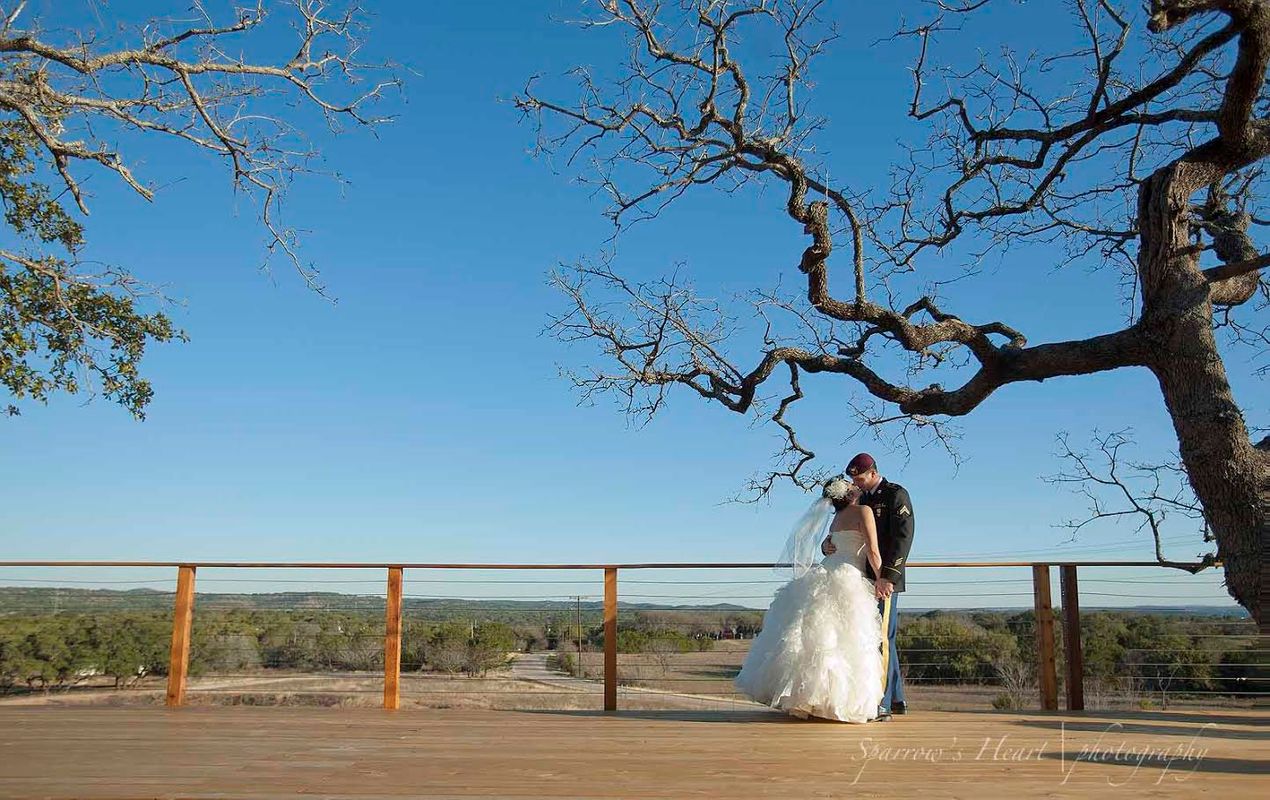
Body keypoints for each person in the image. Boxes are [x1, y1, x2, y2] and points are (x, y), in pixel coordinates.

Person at [734, 476, 885, 722]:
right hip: (848, 577)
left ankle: (809, 699)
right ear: (848, 493)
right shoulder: (863, 510)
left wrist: (826, 545)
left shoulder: (836, 518)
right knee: (847, 639)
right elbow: (872, 549)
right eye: (851, 484)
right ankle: (835, 702)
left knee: (818, 638)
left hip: (826, 571)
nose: (856, 486)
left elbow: (831, 546)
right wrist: (881, 578)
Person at [824, 452, 913, 720]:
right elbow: (840, 532)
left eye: (860, 477)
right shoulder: (857, 499)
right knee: (885, 638)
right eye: (853, 479)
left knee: (881, 639)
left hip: (882, 579)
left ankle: (880, 703)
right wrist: (827, 546)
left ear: (873, 472)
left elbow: (903, 537)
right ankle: (897, 699)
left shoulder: (895, 494)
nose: (856, 482)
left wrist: (888, 576)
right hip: (855, 578)